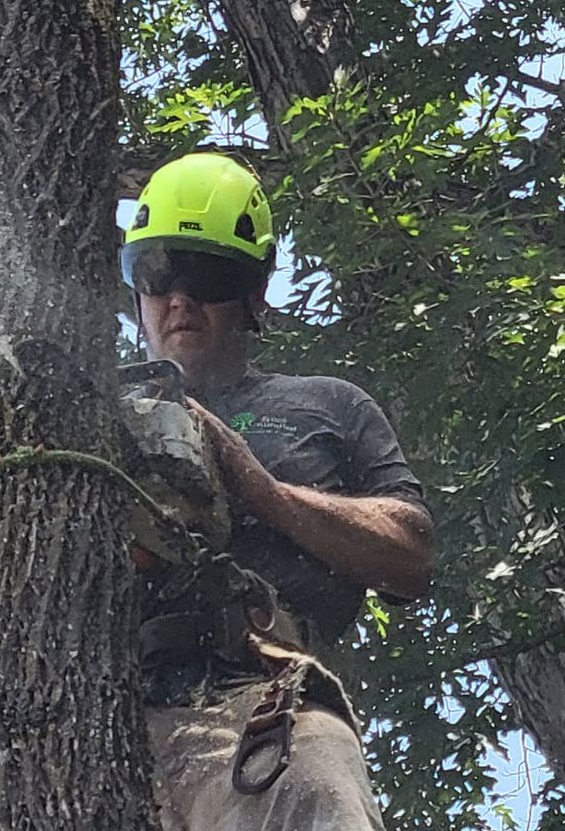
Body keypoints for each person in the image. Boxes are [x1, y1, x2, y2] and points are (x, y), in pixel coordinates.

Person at [120, 151, 435, 831]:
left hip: (260, 706)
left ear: (254, 292)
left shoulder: (326, 407)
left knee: (317, 791)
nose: (178, 298)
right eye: (156, 273)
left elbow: (410, 557)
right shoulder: (101, 418)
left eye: (205, 276)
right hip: (113, 717)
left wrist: (258, 487)